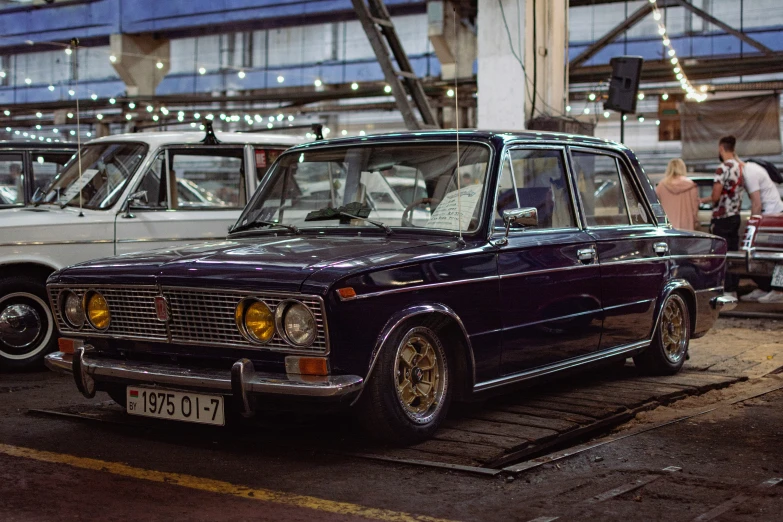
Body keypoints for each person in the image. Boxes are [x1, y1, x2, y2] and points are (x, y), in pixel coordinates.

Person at [701, 135, 744, 298]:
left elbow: (716, 196)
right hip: (735, 216)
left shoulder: (722, 168)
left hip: (722, 217)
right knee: (733, 252)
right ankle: (733, 289)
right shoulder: (740, 167)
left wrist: (703, 200)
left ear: (721, 148)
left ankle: (723, 288)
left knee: (720, 253)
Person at [740, 160, 783, 303]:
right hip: (773, 214)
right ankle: (768, 288)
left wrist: (753, 224)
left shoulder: (749, 172)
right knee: (766, 255)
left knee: (773, 256)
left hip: (771, 216)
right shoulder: (753, 169)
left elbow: (756, 203)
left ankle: (777, 290)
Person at [655, 158, 699, 230]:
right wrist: (696, 221)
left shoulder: (661, 185)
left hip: (667, 227)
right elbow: (695, 208)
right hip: (686, 226)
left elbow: (657, 208)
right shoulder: (690, 185)